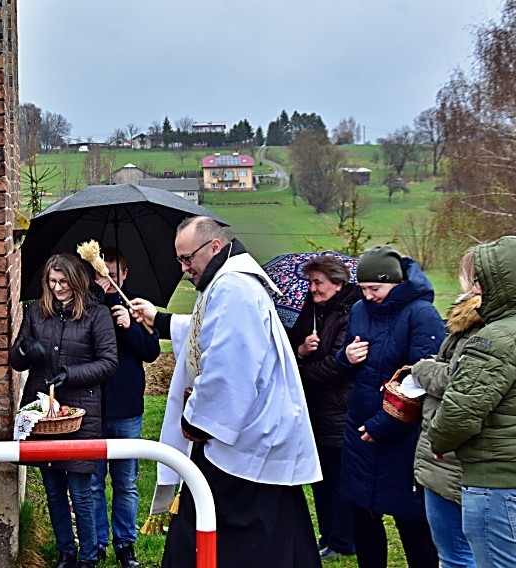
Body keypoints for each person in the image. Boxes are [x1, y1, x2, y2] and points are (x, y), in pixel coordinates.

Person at [130, 216, 322, 568]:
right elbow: (205, 328)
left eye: (188, 259)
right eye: (180, 261)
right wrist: (158, 320)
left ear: (214, 247)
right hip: (247, 437)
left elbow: (231, 366)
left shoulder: (233, 287)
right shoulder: (226, 284)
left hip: (241, 442)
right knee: (268, 529)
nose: (185, 269)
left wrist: (197, 424)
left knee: (207, 531)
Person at [428, 236, 516, 568]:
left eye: (480, 280)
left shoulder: (497, 338)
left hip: (500, 483)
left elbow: (460, 412)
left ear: (499, 282)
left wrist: (440, 441)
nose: (475, 289)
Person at [335, 245, 444, 568]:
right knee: (362, 515)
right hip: (360, 428)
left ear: (396, 283)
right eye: (363, 289)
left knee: (411, 521)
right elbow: (345, 363)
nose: (368, 296)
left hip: (403, 436)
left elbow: (424, 379)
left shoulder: (421, 314)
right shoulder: (358, 310)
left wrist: (383, 425)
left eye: (375, 289)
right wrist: (346, 358)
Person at [10, 253, 118, 568]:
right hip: (44, 414)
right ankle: (65, 551)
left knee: (80, 491)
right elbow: (17, 360)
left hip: (81, 413)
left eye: (63, 282)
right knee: (53, 489)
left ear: (77, 280)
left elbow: (109, 362)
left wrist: (71, 374)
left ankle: (87, 554)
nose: (57, 288)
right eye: (52, 282)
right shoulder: (35, 313)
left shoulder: (96, 315)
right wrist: (25, 350)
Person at [89, 247, 160, 568]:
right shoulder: (86, 306)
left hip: (128, 407)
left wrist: (130, 326)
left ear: (124, 275)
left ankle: (125, 545)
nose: (107, 281)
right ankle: (98, 541)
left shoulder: (136, 306)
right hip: (93, 406)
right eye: (102, 275)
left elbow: (151, 352)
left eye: (113, 275)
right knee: (92, 483)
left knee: (125, 482)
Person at [410, 248, 480, 568]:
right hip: (456, 459)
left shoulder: (484, 325)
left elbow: (459, 380)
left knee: (457, 556)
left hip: (455, 458)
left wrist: (422, 369)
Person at [286, 256, 358, 560]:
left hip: (339, 409)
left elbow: (340, 365)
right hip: (315, 409)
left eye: (318, 282)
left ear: (337, 283)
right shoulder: (313, 310)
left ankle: (343, 540)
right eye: (310, 282)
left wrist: (299, 373)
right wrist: (301, 350)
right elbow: (289, 346)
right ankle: (328, 534)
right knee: (320, 478)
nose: (312, 288)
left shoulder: (351, 312)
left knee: (339, 480)